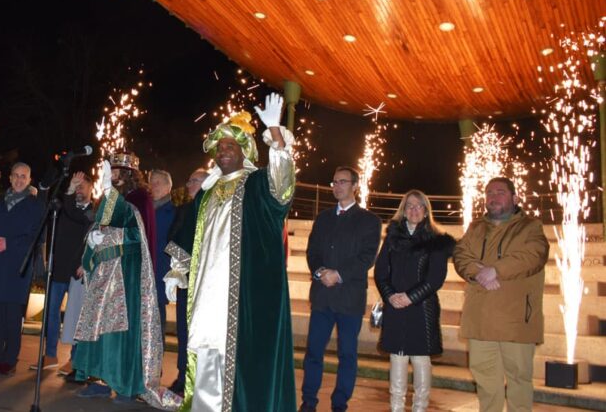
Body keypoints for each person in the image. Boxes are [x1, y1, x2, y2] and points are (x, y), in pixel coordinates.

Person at [164, 93, 297, 412]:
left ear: (244, 151)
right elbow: (188, 234)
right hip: (207, 297)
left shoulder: (257, 185)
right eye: (219, 147)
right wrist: (177, 270)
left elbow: (284, 185)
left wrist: (275, 131)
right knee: (207, 352)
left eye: (230, 146)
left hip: (245, 296)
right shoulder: (206, 194)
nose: (222, 152)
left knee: (242, 359)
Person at [73, 158, 178, 408]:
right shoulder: (109, 198)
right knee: (102, 327)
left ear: (131, 174)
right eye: (113, 172)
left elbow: (136, 236)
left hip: (128, 275)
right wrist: (93, 240)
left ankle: (125, 384)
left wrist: (107, 238)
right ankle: (101, 379)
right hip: (105, 274)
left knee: (123, 331)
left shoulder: (140, 198)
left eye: (120, 172)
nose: (115, 175)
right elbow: (100, 225)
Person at [454, 177, 549, 412]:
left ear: (515, 198)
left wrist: (496, 270)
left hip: (516, 319)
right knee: (485, 379)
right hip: (481, 318)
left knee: (518, 380)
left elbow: (533, 256)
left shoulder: (531, 226)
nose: (493, 197)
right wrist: (479, 273)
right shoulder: (475, 227)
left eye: (500, 192)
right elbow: (460, 255)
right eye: (489, 193)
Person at [300, 166, 381, 412]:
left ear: (355, 185)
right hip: (322, 298)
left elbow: (367, 257)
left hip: (349, 299)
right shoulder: (323, 217)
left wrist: (339, 274)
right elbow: (312, 251)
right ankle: (308, 402)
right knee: (313, 352)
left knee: (347, 355)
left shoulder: (369, 220)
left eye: (342, 182)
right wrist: (319, 272)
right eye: (334, 182)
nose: (336, 186)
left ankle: (339, 404)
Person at [374, 189, 455, 412]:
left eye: (419, 205)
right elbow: (380, 273)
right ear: (403, 210)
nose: (414, 210)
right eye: (409, 205)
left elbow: (435, 279)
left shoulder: (436, 241)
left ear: (427, 211)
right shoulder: (392, 239)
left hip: (422, 308)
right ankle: (396, 408)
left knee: (420, 359)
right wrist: (390, 296)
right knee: (397, 358)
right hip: (395, 307)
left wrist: (410, 297)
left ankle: (420, 408)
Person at [0, 163, 44, 375]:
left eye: (23, 176)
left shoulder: (36, 206)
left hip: (18, 265)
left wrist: (9, 244)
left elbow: (37, 237)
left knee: (12, 314)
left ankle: (9, 359)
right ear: (10, 177)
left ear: (29, 179)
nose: (19, 179)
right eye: (15, 175)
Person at [34, 171, 94, 372]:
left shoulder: (94, 211)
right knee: (51, 312)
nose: (78, 190)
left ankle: (74, 360)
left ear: (91, 189)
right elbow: (47, 209)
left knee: (77, 315)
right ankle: (50, 355)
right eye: (75, 186)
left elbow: (77, 217)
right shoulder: (62, 209)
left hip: (78, 271)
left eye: (81, 186)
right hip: (59, 269)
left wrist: (67, 192)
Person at [164, 167, 208, 395]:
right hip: (185, 281)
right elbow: (171, 240)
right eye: (189, 179)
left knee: (202, 334)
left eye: (195, 180)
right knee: (184, 331)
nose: (189, 184)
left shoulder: (213, 211)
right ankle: (183, 376)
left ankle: (200, 381)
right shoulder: (184, 210)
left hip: (207, 285)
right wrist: (184, 265)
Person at [110, 151, 157, 269]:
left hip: (131, 259)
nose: (111, 177)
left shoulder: (140, 198)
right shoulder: (117, 196)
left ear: (127, 174)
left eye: (115, 173)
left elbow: (137, 231)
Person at [150, 169, 176, 335]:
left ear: (168, 187)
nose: (153, 185)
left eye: (157, 182)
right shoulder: (144, 211)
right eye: (151, 182)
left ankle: (155, 358)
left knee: (156, 323)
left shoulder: (174, 214)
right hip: (143, 273)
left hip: (160, 273)